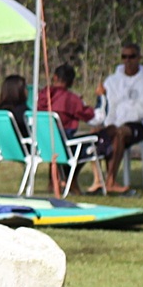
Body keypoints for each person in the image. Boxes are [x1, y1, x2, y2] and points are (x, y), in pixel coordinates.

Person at [90, 44, 143, 195]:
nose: (128, 60)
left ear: (139, 58)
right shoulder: (111, 81)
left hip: (138, 124)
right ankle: (95, 180)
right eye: (124, 57)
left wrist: (121, 120)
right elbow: (107, 105)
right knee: (95, 133)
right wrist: (108, 123)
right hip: (114, 123)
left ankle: (111, 180)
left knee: (120, 133)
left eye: (132, 56)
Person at [34, 63, 95, 194]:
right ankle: (70, 179)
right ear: (72, 82)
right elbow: (89, 115)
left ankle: (54, 181)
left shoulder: (42, 96)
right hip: (63, 144)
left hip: (42, 142)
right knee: (90, 145)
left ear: (55, 77)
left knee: (57, 140)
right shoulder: (71, 99)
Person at [0, 73, 31, 147]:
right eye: (26, 88)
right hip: (24, 147)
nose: (27, 91)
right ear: (20, 91)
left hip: (5, 148)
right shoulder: (22, 112)